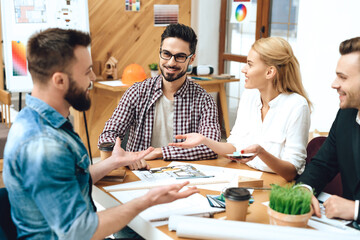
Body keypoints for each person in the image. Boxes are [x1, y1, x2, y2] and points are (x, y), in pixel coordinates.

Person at [2, 28, 198, 239]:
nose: (94, 77)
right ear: (59, 81)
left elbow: (71, 181)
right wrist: (147, 200)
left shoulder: (37, 119)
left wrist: (112, 162)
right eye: (87, 71)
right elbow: (79, 231)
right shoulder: (44, 145)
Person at [169, 37, 311, 181]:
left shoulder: (297, 106)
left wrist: (261, 153)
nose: (244, 69)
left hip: (277, 185)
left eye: (250, 64)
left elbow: (292, 171)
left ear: (270, 72)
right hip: (245, 177)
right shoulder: (250, 96)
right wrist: (205, 140)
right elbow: (234, 148)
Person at [98, 23, 221, 168]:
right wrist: (121, 154)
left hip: (183, 177)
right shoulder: (137, 92)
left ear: (191, 59)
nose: (171, 62)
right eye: (166, 54)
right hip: (139, 173)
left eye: (180, 57)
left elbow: (211, 147)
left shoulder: (204, 100)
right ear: (160, 52)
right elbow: (109, 133)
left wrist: (160, 152)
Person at [296, 37, 360, 224]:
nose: (334, 84)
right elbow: (322, 165)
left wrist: (355, 209)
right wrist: (304, 189)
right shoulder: (345, 115)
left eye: (343, 77)